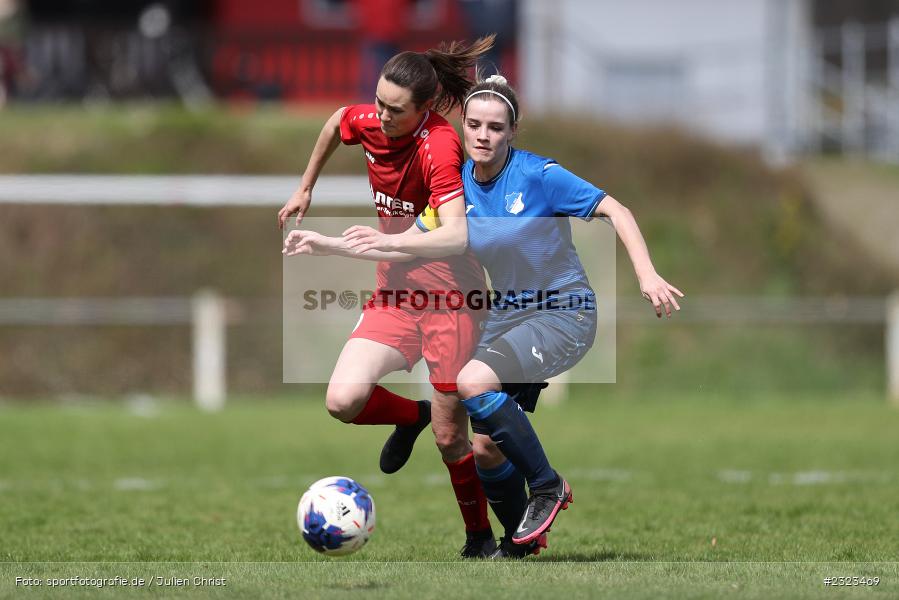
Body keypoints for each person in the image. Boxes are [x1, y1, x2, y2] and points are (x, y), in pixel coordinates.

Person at [339, 74, 684, 558]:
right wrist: (338, 244)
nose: (483, 135)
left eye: (495, 128)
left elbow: (617, 210)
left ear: (512, 131)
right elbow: (417, 238)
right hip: (509, 316)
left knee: (472, 381)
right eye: (474, 125)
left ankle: (547, 487)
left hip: (563, 312)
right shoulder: (455, 185)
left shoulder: (539, 176)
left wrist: (646, 274)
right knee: (484, 448)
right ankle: (518, 545)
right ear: (463, 126)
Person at [279, 36, 500, 558]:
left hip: (450, 297)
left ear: (424, 111)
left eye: (394, 111)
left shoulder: (439, 146)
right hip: (398, 292)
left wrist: (389, 242)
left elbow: (457, 235)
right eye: (377, 101)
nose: (379, 116)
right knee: (342, 400)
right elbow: (337, 119)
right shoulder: (371, 119)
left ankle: (480, 538)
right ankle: (412, 416)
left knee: (453, 440)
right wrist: (305, 186)